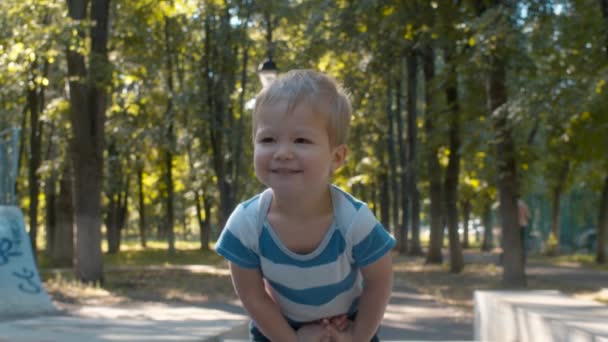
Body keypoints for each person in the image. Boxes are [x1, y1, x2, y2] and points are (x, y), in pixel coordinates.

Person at [215, 70, 395, 342]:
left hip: (349, 326)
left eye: (301, 140)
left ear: (336, 156)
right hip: (277, 330)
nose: (282, 152)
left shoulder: (353, 220)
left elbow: (379, 282)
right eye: (268, 139)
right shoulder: (246, 225)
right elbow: (253, 296)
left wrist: (356, 338)